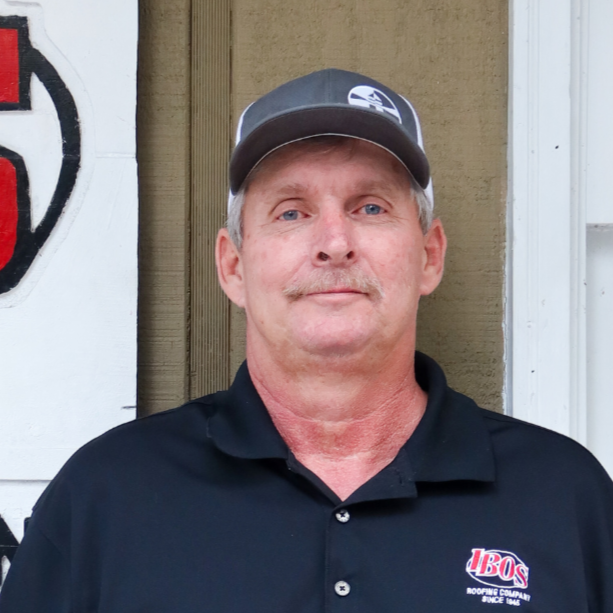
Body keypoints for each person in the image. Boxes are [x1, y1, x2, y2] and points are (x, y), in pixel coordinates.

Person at [1, 68, 612, 612]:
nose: (335, 241)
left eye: (370, 208)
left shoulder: (566, 502)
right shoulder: (107, 501)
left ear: (429, 256)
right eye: (291, 212)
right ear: (233, 266)